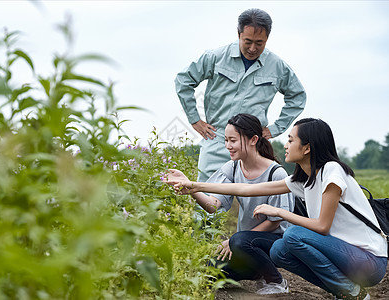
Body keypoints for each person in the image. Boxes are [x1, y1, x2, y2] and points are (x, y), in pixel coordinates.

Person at [168, 118, 388, 300]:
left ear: (307, 147)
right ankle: (343, 292)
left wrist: (280, 212)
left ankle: (352, 293)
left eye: (291, 140)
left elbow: (322, 226)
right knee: (280, 251)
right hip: (343, 256)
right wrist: (193, 185)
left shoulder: (331, 171)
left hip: (368, 262)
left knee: (292, 234)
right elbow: (245, 189)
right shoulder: (303, 180)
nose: (285, 144)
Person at [166, 113, 294, 295]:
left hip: (274, 243)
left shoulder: (276, 173)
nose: (227, 146)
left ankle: (276, 280)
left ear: (253, 140)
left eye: (232, 140)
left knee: (240, 241)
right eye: (226, 140)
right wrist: (191, 188)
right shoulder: (233, 167)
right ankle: (257, 271)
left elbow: (275, 221)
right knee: (210, 272)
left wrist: (233, 241)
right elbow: (212, 205)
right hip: (244, 244)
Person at [175, 8, 307, 182]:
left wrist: (275, 129)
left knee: (255, 200)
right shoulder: (215, 57)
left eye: (259, 43)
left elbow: (297, 96)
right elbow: (184, 80)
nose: (253, 48)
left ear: (267, 38)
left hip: (254, 144)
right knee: (207, 197)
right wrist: (195, 120)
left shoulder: (277, 66)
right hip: (218, 138)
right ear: (239, 34)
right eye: (248, 41)